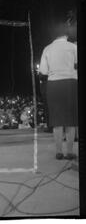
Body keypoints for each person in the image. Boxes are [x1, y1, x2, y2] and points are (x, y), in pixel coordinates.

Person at [39, 22, 78, 160]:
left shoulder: (47, 49)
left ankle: (58, 151)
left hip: (54, 85)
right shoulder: (73, 47)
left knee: (57, 119)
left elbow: (43, 70)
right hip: (71, 83)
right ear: (66, 34)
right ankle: (69, 152)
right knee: (71, 120)